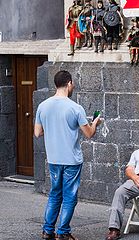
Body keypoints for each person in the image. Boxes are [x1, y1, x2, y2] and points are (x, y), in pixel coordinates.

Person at [34, 70, 101, 240]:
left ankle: (47, 230)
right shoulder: (75, 108)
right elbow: (89, 133)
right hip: (71, 159)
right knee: (69, 197)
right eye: (73, 84)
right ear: (69, 83)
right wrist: (95, 123)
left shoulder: (43, 105)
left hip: (54, 158)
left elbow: (37, 133)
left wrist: (53, 128)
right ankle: (62, 232)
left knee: (55, 194)